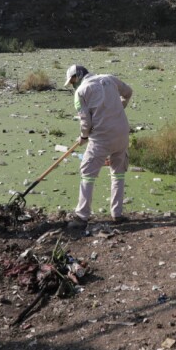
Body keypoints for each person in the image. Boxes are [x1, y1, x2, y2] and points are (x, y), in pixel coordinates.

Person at [64, 65, 133, 229]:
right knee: (118, 173)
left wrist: (83, 136)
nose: (73, 84)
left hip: (102, 137)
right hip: (122, 133)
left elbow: (85, 121)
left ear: (78, 75)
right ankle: (117, 214)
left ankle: (82, 215)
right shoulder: (109, 78)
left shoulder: (80, 92)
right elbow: (128, 92)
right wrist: (119, 108)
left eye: (73, 80)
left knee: (87, 172)